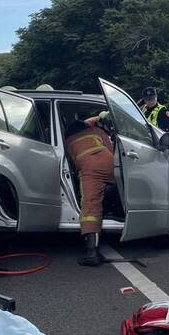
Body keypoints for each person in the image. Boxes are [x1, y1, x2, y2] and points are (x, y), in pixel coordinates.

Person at [65, 111, 115, 266]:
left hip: (89, 168)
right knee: (117, 186)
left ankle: (91, 252)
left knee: (90, 207)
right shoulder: (97, 131)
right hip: (109, 162)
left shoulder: (67, 140)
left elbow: (69, 164)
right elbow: (111, 150)